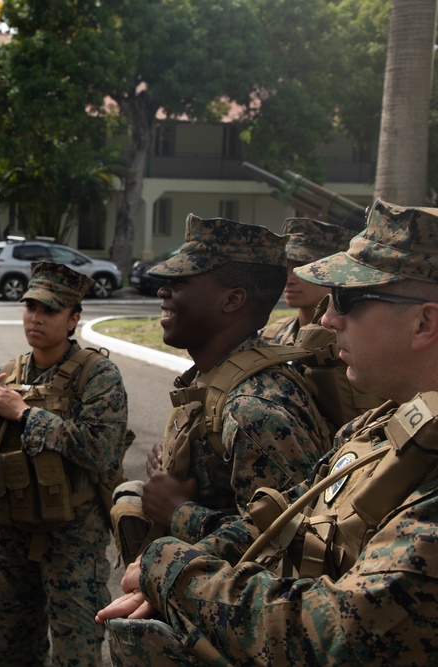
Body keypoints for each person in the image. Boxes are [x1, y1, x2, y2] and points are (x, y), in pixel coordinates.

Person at [99, 198, 438, 665]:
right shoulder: (382, 425)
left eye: (347, 299)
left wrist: (176, 570)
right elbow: (283, 524)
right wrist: (174, 562)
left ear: (424, 322)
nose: (327, 319)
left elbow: (340, 636)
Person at [0, 261, 128, 667]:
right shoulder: (7, 373)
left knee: (77, 652)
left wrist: (26, 415)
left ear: (73, 319)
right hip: (7, 533)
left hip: (72, 539)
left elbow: (102, 449)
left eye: (49, 310)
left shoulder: (98, 376)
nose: (36, 318)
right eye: (30, 307)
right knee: (9, 649)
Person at [130, 216, 331, 555]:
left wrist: (178, 511)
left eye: (181, 280)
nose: (163, 290)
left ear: (232, 300)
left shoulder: (254, 408)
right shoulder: (216, 378)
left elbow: (293, 543)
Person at [260, 216, 381, 432]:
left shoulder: (360, 342)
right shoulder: (269, 337)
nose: (290, 277)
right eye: (286, 266)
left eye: (305, 266)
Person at [261, 217, 356, 344]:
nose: (288, 280)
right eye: (285, 267)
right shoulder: (269, 336)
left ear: (338, 271)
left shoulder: (353, 343)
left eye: (302, 268)